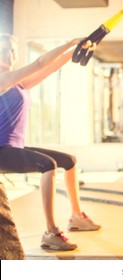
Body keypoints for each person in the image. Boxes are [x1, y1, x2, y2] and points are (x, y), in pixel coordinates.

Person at [0, 33, 100, 251]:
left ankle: (76, 216)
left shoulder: (18, 84)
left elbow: (48, 69)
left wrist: (75, 51)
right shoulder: (2, 80)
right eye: (6, 49)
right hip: (1, 151)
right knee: (48, 165)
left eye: (14, 50)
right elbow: (39, 62)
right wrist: (70, 42)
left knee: (69, 160)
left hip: (13, 148)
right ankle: (51, 231)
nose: (11, 54)